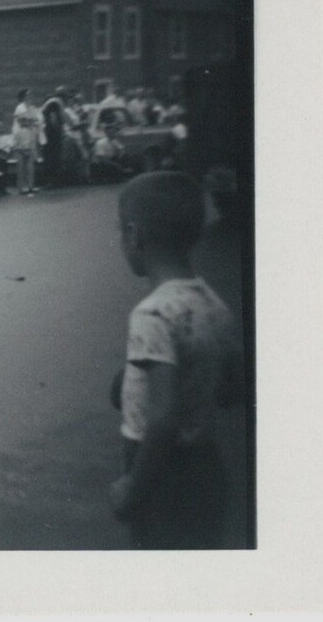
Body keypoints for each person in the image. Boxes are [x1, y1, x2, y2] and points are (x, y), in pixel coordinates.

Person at [109, 171, 241, 549]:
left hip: (162, 474)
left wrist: (132, 488)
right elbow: (231, 389)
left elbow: (163, 419)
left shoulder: (151, 315)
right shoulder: (213, 303)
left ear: (133, 236)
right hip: (206, 467)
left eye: (120, 231)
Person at [13, 88, 40, 196]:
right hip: (20, 137)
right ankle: (20, 188)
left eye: (31, 95)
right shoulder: (20, 108)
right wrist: (31, 121)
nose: (30, 97)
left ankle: (30, 187)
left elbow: (36, 120)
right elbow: (22, 122)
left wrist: (30, 121)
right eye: (28, 95)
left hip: (30, 137)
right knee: (21, 164)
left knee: (30, 164)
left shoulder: (32, 108)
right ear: (23, 97)